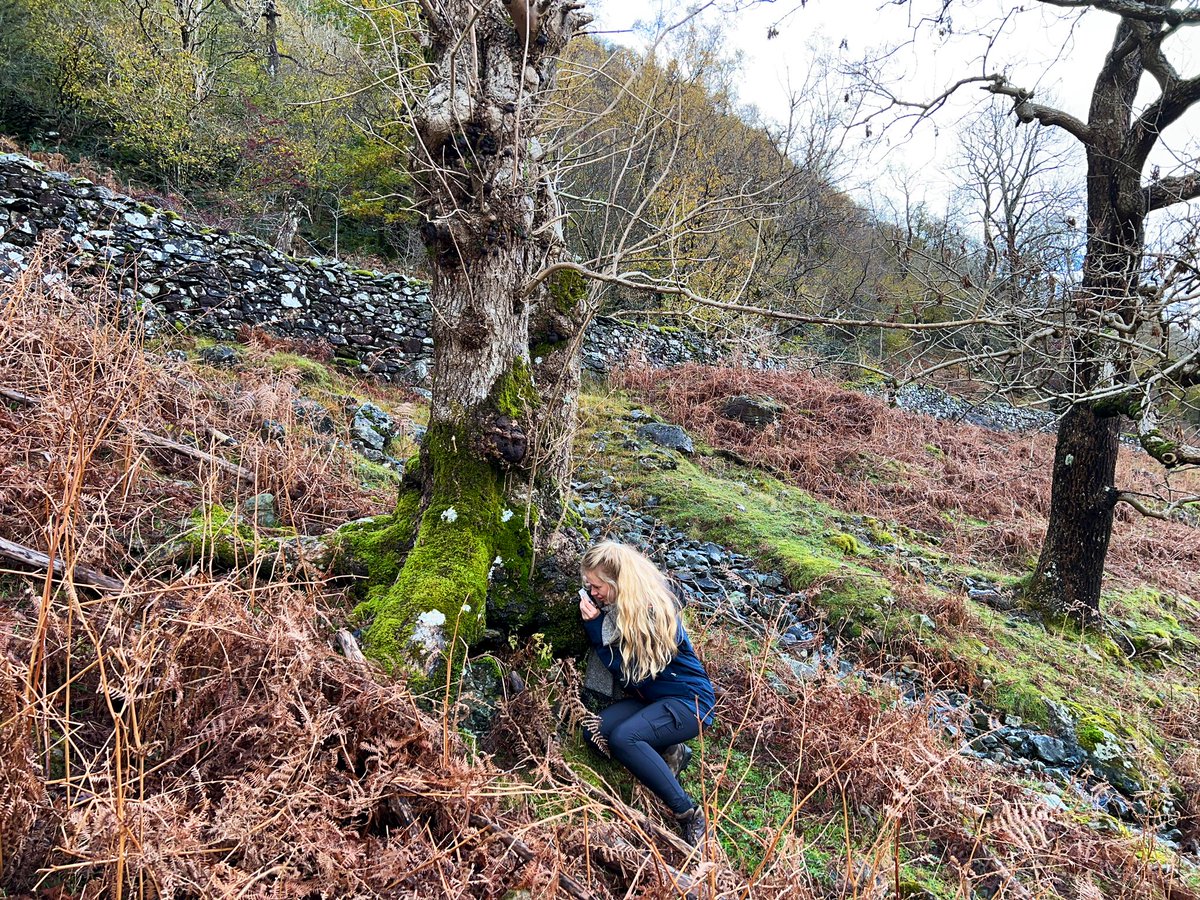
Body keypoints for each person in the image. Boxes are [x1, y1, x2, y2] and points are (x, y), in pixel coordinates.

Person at [578, 540, 716, 847]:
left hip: (690, 702)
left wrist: (596, 630)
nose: (592, 592)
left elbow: (630, 674)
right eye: (588, 586)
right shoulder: (615, 610)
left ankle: (689, 814)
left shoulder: (653, 613)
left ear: (619, 583)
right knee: (594, 732)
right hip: (653, 700)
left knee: (624, 739)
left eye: (597, 586)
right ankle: (672, 751)